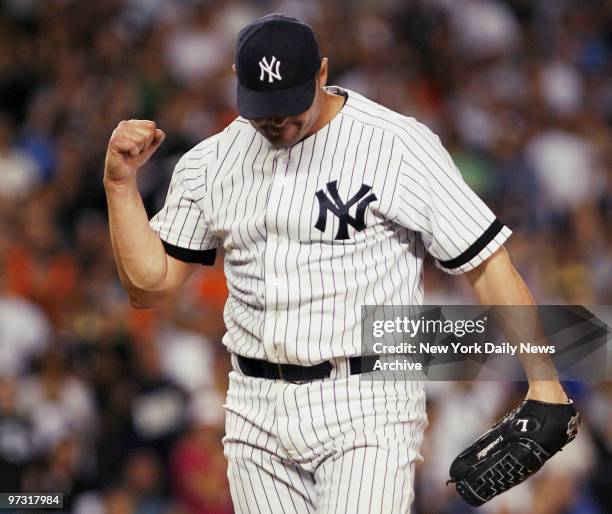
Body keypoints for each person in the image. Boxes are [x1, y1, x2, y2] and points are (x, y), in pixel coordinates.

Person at [103, 13, 571, 513]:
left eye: (289, 106)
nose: (277, 121)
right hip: (253, 409)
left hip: (365, 403)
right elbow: (148, 287)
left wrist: (545, 384)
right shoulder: (209, 162)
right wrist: (119, 186)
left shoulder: (395, 145)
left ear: (322, 75)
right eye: (264, 110)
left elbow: (487, 264)